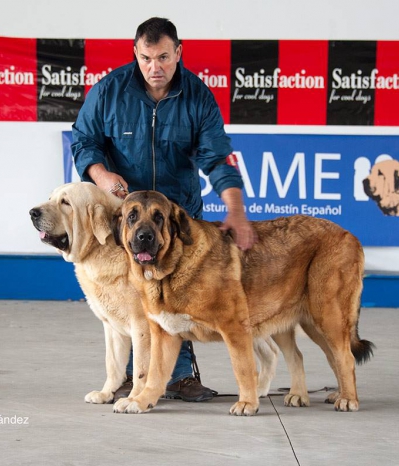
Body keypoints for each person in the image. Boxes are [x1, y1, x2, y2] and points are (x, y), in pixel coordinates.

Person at [71, 17, 255, 403]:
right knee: (126, 297)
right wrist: (102, 176)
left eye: (164, 58)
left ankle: (180, 376)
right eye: (146, 58)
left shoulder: (198, 98)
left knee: (177, 293)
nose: (155, 67)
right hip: (124, 214)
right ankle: (127, 375)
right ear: (136, 54)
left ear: (179, 53)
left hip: (176, 217)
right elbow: (84, 140)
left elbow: (218, 159)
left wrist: (235, 210)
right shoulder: (109, 90)